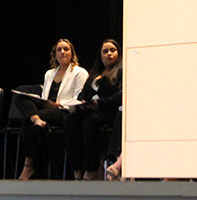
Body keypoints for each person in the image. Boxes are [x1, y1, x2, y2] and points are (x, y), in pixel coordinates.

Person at [16, 39, 89, 180]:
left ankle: (29, 165)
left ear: (72, 53)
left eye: (66, 49)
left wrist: (57, 105)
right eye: (59, 50)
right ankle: (36, 119)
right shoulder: (49, 74)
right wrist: (43, 103)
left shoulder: (79, 72)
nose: (63, 52)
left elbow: (78, 100)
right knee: (20, 99)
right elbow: (45, 96)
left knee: (27, 120)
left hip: (65, 112)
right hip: (47, 110)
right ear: (55, 54)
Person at [64, 39, 122, 180]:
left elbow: (119, 96)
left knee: (90, 122)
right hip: (90, 109)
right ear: (100, 56)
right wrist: (82, 102)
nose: (109, 54)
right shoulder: (94, 74)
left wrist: (100, 103)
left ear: (118, 54)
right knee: (70, 121)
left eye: (113, 50)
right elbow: (82, 93)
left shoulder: (120, 73)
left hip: (109, 111)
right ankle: (77, 168)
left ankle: (91, 168)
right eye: (105, 51)